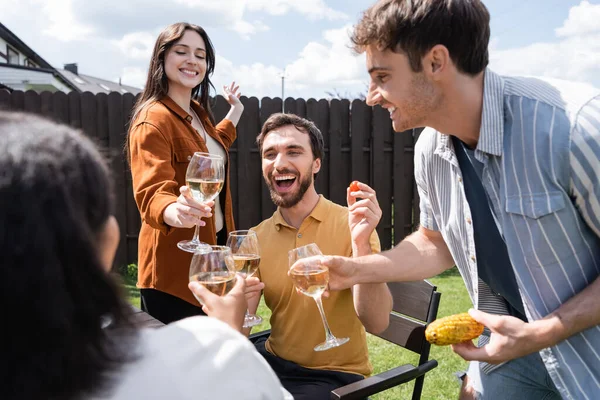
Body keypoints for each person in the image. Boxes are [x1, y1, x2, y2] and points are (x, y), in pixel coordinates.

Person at [291, 1, 600, 399]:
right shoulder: (429, 149)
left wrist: (545, 331)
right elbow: (434, 243)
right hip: (506, 345)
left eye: (382, 76)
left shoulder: (574, 128)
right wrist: (354, 269)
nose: (371, 96)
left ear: (436, 62)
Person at [0, 111, 292, 400]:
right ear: (105, 237)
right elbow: (153, 188)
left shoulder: (200, 121)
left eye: (201, 59)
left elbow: (220, 137)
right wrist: (228, 340)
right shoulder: (192, 361)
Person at [245, 113, 393, 400]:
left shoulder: (352, 225)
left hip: (335, 375)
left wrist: (361, 246)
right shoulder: (257, 237)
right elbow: (242, 322)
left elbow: (377, 323)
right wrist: (231, 303)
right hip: (273, 361)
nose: (279, 163)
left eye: (293, 151)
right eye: (270, 154)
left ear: (316, 164)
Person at [128, 22, 244, 324]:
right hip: (174, 273)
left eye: (200, 55)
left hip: (211, 254)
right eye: (182, 52)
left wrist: (236, 112)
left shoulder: (197, 112)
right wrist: (172, 210)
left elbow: (212, 148)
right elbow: (151, 189)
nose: (192, 60)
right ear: (162, 58)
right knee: (177, 367)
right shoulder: (152, 119)